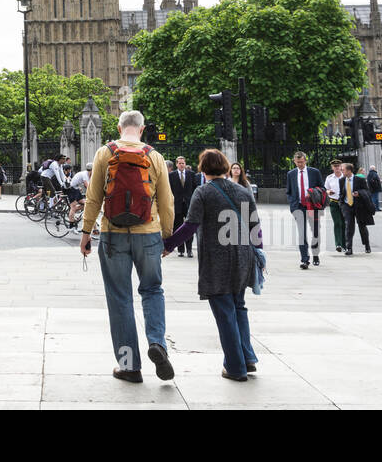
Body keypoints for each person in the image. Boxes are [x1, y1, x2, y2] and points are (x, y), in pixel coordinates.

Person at [78, 110, 175, 384]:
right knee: (153, 289)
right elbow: (167, 201)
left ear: (120, 128)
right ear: (142, 130)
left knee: (119, 298)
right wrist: (166, 235)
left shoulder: (104, 153)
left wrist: (86, 233)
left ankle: (129, 365)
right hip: (149, 232)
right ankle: (157, 342)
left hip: (113, 233)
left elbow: (93, 197)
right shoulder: (154, 156)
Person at [163, 148, 262, 382]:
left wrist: (168, 245)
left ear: (203, 168)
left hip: (217, 259)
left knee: (225, 312)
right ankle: (247, 358)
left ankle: (236, 367)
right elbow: (254, 226)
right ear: (227, 167)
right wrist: (258, 253)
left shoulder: (203, 192)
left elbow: (190, 225)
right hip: (243, 256)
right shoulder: (242, 191)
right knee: (239, 307)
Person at [285, 151, 324, 269]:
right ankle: (305, 259)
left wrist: (312, 193)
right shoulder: (291, 174)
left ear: (306, 160)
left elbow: (322, 187)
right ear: (294, 161)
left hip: (313, 206)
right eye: (298, 162)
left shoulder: (314, 172)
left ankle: (315, 254)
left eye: (302, 162)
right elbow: (289, 191)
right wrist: (293, 204)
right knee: (302, 234)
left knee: (315, 232)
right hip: (299, 207)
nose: (300, 164)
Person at [339, 163, 372, 254]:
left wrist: (359, 193)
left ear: (349, 170)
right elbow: (341, 193)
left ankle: (367, 245)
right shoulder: (341, 180)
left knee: (362, 226)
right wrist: (341, 204)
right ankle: (349, 248)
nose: (341, 171)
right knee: (349, 225)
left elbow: (367, 191)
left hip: (359, 205)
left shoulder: (360, 180)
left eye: (343, 169)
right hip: (346, 205)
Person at [168, 156, 196, 257]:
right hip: (177, 205)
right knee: (178, 227)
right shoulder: (171, 175)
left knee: (189, 227)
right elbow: (169, 190)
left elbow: (195, 189)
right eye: (179, 163)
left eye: (183, 163)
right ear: (176, 164)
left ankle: (189, 249)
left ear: (185, 163)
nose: (181, 165)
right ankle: (181, 249)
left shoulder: (191, 174)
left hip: (189, 205)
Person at [324, 159, 346, 254]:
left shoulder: (345, 177)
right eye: (335, 166)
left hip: (344, 203)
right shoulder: (329, 178)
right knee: (337, 223)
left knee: (344, 224)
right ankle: (338, 244)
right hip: (334, 202)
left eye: (338, 166)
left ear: (341, 167)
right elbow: (326, 188)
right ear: (332, 168)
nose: (337, 168)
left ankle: (345, 245)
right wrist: (328, 192)